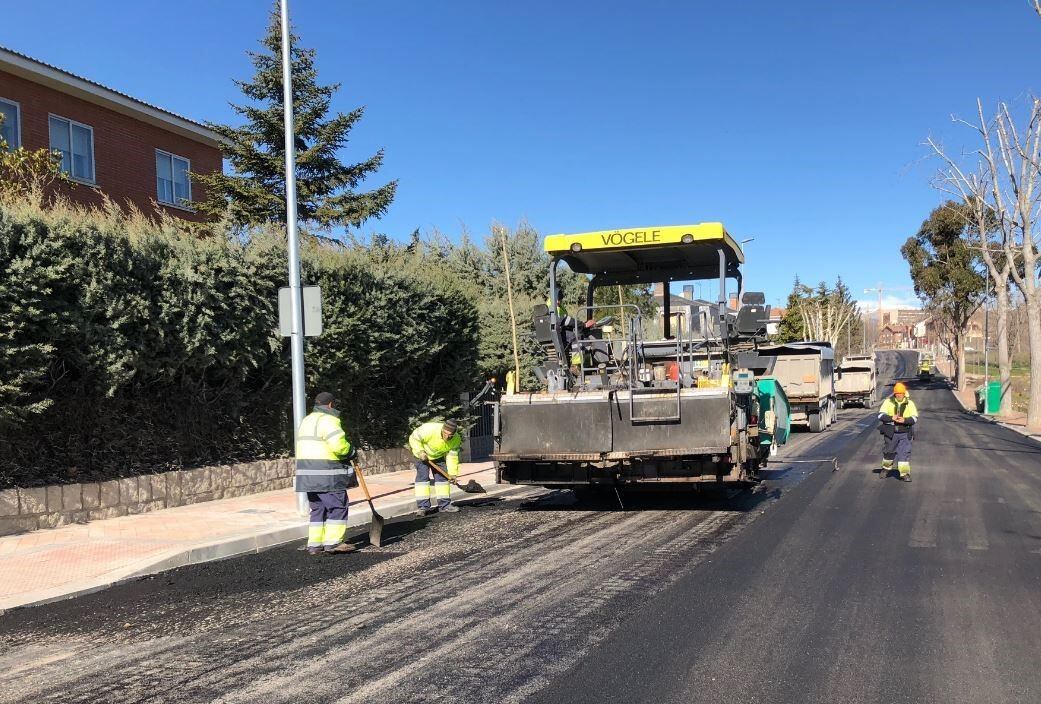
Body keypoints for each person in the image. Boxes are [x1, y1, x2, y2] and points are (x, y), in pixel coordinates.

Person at [295, 391, 358, 554]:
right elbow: (339, 446)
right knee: (338, 506)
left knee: (318, 509)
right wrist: (352, 451)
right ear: (330, 404)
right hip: (327, 474)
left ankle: (315, 545)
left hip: (307, 475)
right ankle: (334, 543)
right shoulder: (329, 421)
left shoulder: (306, 421)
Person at [409, 419, 463, 513]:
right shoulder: (429, 430)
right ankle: (423, 507)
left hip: (438, 456)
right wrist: (420, 451)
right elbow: (414, 438)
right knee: (423, 480)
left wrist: (453, 474)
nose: (447, 437)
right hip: (422, 455)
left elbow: (452, 457)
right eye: (445, 433)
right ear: (442, 429)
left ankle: (444, 505)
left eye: (450, 435)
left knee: (442, 479)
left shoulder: (456, 439)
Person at [877, 382, 918, 482]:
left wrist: (905, 420)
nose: (899, 395)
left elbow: (914, 418)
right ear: (894, 393)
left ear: (904, 393)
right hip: (891, 432)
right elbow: (880, 416)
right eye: (897, 393)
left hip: (905, 432)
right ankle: (886, 469)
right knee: (889, 452)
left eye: (901, 393)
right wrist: (892, 418)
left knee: (904, 453)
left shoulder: (910, 403)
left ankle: (904, 474)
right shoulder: (888, 402)